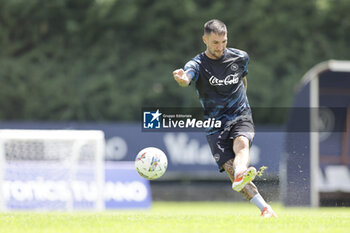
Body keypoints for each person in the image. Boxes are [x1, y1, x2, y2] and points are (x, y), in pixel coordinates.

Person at [172, 19, 277, 217]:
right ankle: (265, 208)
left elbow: (243, 79)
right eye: (215, 43)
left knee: (242, 143)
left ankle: (241, 173)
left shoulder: (240, 57)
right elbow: (187, 76)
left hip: (240, 114)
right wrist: (183, 79)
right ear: (205, 40)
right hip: (215, 124)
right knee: (230, 169)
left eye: (224, 42)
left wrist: (241, 101)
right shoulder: (197, 63)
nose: (220, 47)